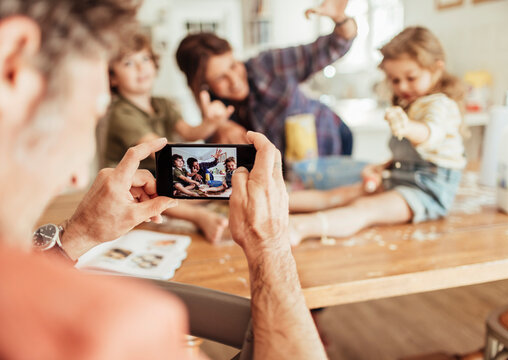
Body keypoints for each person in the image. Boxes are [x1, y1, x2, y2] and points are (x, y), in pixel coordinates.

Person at [0, 1, 327, 359]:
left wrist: (76, 236)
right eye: (89, 115)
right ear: (13, 61)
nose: (78, 173)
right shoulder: (110, 331)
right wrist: (270, 246)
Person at [288, 26, 466, 245]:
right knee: (340, 195)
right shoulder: (412, 104)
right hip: (399, 178)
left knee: (364, 208)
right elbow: (412, 158)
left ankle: (297, 227)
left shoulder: (440, 105)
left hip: (427, 192)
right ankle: (272, 203)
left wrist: (408, 127)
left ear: (437, 69)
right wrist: (384, 167)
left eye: (411, 77)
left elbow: (431, 134)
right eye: (394, 80)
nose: (402, 86)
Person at [175, 0, 357, 156]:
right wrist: (218, 128)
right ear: (204, 86)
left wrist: (341, 18)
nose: (234, 80)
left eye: (233, 65)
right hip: (290, 165)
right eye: (221, 78)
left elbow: (335, 45)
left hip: (330, 136)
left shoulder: (267, 65)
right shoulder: (213, 110)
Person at [104, 32, 233, 242]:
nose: (141, 67)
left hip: (159, 172)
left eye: (145, 59)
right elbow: (160, 151)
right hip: (131, 181)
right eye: (128, 63)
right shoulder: (121, 113)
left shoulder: (163, 104)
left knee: (194, 186)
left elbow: (190, 132)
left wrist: (210, 123)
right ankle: (198, 217)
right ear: (113, 77)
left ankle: (188, 203)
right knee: (152, 192)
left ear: (155, 64)